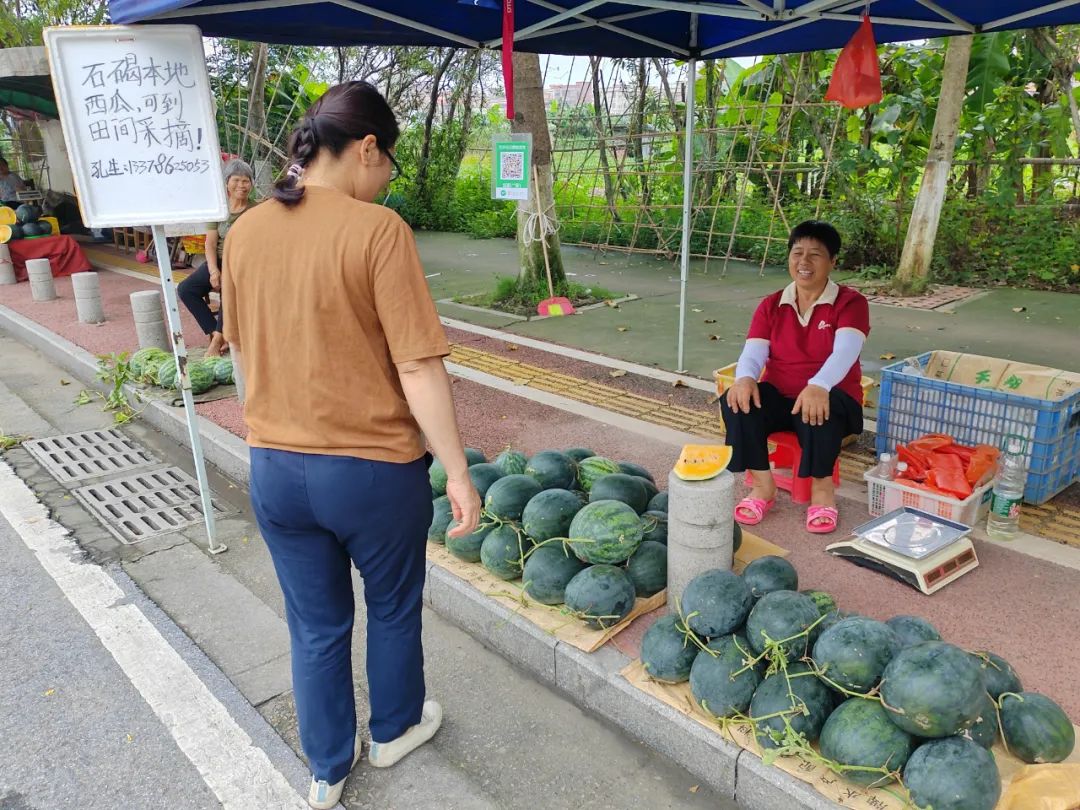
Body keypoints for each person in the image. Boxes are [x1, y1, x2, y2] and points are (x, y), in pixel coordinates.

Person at [220, 81, 481, 809]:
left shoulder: (243, 230)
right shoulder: (378, 230)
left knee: (315, 625)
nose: (387, 179)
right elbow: (418, 365)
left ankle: (327, 769)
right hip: (372, 473)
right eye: (389, 163)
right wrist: (458, 471)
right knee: (393, 608)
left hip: (274, 466)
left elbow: (239, 350)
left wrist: (272, 427)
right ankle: (395, 729)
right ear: (366, 148)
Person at [721, 220, 869, 534]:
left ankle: (822, 493)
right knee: (736, 401)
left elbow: (845, 352)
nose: (804, 261)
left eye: (815, 255)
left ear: (833, 262)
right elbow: (753, 353)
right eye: (797, 252)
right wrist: (745, 378)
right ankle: (763, 487)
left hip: (834, 400)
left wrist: (819, 385)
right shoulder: (772, 305)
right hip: (783, 396)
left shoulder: (851, 303)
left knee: (818, 411)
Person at [177, 158, 254, 357]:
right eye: (236, 180)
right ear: (227, 182)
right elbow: (210, 244)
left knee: (229, 291)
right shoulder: (220, 210)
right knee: (186, 289)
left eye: (246, 181)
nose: (241, 185)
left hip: (242, 264)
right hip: (219, 261)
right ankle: (215, 331)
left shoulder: (255, 211)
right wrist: (213, 270)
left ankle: (218, 341)